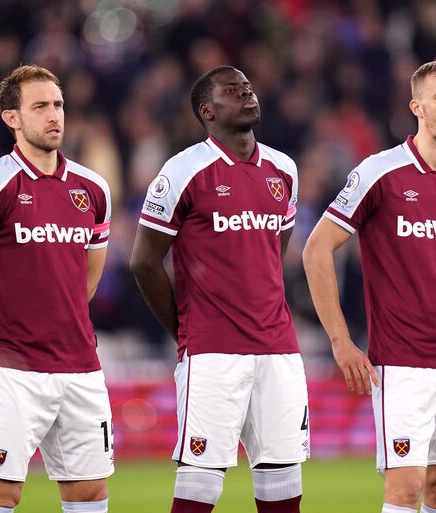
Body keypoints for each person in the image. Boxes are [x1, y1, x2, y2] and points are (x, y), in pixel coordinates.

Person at [302, 61, 436, 513]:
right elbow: (316, 249)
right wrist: (340, 341)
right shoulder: (379, 173)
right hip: (400, 364)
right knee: (406, 487)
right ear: (416, 107)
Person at [131, 66, 308, 513]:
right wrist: (185, 329)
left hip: (279, 349)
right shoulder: (183, 171)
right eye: (234, 91)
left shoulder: (283, 170)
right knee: (200, 487)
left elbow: (273, 252)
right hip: (212, 352)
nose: (248, 94)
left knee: (283, 483)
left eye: (249, 87)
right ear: (207, 111)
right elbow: (143, 261)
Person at [0, 65, 113, 513]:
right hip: (14, 368)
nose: (54, 115)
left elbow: (87, 278)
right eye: (40, 106)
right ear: (12, 118)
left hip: (80, 366)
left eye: (58, 105)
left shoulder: (92, 189)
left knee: (89, 490)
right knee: (1, 491)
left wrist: (64, 319)